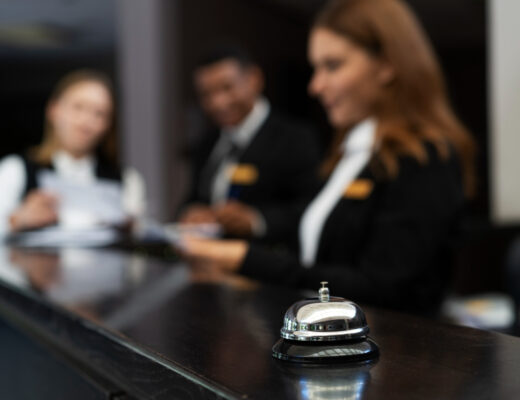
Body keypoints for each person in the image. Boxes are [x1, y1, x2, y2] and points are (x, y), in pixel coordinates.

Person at [179, 0, 476, 314]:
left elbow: (381, 289)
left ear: (387, 65)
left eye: (332, 66)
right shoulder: (351, 152)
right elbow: (316, 255)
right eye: (316, 68)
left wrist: (245, 259)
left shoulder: (426, 157)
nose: (315, 86)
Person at [178, 45, 320, 241]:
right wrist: (191, 213)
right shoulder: (207, 143)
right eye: (206, 94)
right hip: (209, 253)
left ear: (254, 79)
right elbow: (193, 198)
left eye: (227, 88)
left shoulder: (295, 138)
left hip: (266, 253)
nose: (218, 103)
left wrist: (257, 221)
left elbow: (312, 207)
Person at [0, 69, 146, 236]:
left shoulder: (127, 180)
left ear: (108, 124)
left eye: (99, 114)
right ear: (54, 110)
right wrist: (18, 219)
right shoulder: (15, 170)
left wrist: (131, 231)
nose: (86, 122)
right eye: (78, 108)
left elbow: (140, 235)